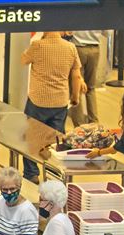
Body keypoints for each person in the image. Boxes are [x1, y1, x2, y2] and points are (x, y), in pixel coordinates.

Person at [20, 32, 84, 183]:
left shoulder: (37, 46)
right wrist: (75, 97)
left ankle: (31, 173)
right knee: (56, 141)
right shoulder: (70, 48)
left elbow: (23, 60)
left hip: (38, 101)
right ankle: (54, 174)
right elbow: (76, 76)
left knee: (31, 138)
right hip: (60, 102)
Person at [68, 31, 102, 126]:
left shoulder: (74, 14)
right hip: (95, 49)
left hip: (78, 48)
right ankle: (94, 122)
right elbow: (106, 32)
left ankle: (79, 125)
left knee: (76, 87)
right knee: (91, 88)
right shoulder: (99, 14)